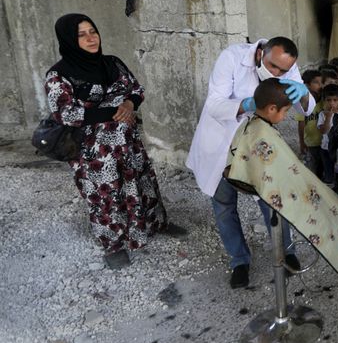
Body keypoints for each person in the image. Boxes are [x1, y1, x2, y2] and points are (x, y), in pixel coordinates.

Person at [44, 14, 184, 270]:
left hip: (128, 143)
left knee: (142, 183)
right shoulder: (59, 75)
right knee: (105, 196)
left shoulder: (112, 63)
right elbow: (65, 113)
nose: (90, 38)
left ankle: (153, 224)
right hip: (94, 153)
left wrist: (130, 104)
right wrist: (114, 112)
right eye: (81, 34)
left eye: (92, 31)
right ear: (68, 40)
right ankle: (113, 244)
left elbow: (136, 89)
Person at [186, 36, 314, 289]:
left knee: (273, 201)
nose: (277, 73)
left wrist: (305, 94)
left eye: (283, 70)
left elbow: (305, 110)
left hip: (258, 145)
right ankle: (239, 261)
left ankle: (286, 252)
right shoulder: (232, 57)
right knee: (224, 205)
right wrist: (248, 104)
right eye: (273, 67)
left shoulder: (288, 65)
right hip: (222, 144)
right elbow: (214, 104)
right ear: (260, 54)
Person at [224, 78, 338, 275]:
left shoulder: (255, 126)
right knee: (327, 213)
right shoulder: (261, 132)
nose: (286, 115)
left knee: (331, 207)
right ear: (271, 109)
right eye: (285, 111)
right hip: (281, 191)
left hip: (283, 187)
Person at [317, 83, 338, 185]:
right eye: (328, 100)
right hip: (326, 149)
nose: (332, 103)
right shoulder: (322, 114)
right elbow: (323, 131)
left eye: (335, 100)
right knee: (329, 175)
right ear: (324, 100)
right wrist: (328, 117)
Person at [296, 69, 324, 179]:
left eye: (321, 82)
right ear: (307, 85)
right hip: (311, 143)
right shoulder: (304, 102)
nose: (320, 85)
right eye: (316, 82)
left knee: (322, 168)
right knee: (312, 171)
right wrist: (302, 142)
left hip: (323, 142)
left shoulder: (323, 100)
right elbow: (301, 123)